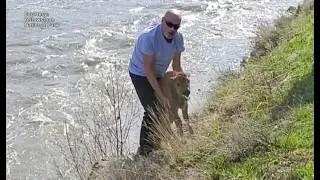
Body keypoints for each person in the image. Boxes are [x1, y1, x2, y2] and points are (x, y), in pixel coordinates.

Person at [128, 9, 185, 157]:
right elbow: (148, 71)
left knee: (168, 105)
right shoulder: (150, 38)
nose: (172, 29)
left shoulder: (178, 39)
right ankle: (144, 152)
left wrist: (183, 84)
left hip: (158, 73)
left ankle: (158, 140)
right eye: (169, 24)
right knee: (153, 108)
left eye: (176, 26)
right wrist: (160, 94)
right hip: (140, 73)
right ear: (162, 21)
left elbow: (176, 67)